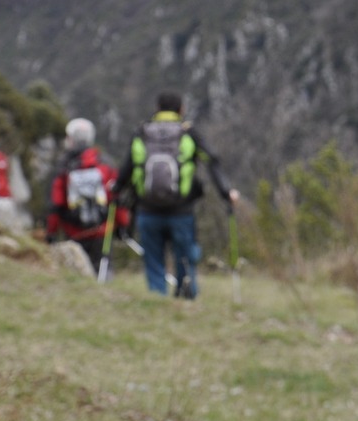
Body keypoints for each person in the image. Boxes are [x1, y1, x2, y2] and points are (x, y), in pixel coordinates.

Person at [114, 92, 239, 299]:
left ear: (157, 108)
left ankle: (157, 299)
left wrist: (116, 189)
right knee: (185, 257)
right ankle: (187, 296)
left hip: (147, 209)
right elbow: (212, 160)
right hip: (181, 210)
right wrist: (227, 192)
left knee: (153, 258)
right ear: (181, 109)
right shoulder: (188, 133)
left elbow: (128, 167)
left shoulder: (142, 133)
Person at [45, 118, 129, 274]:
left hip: (73, 231)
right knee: (103, 271)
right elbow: (116, 196)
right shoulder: (104, 163)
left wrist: (51, 232)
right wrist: (122, 226)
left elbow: (56, 203)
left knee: (77, 273)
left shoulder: (64, 166)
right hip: (102, 231)